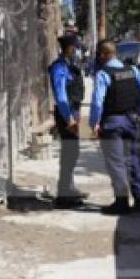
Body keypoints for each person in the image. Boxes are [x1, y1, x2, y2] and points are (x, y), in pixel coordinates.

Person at [89, 39, 140, 214]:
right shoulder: (131, 70)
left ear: (103, 55)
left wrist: (93, 122)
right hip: (132, 121)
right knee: (134, 161)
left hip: (112, 123)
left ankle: (122, 203)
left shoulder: (103, 74)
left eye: (99, 54)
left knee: (116, 164)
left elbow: (97, 102)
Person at [48, 35, 88, 208]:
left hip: (74, 113)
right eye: (75, 48)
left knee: (73, 152)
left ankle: (69, 189)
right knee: (69, 153)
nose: (77, 51)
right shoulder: (58, 67)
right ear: (69, 48)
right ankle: (64, 195)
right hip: (67, 115)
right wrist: (69, 118)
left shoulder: (69, 66)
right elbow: (60, 94)